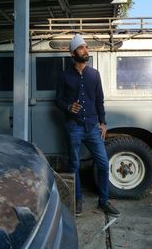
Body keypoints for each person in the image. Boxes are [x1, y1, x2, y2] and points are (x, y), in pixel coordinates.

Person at [56, 34, 120, 217]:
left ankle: (104, 202)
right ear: (73, 53)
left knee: (103, 163)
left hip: (92, 127)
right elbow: (57, 100)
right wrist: (68, 107)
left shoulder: (94, 74)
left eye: (86, 47)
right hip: (73, 127)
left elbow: (100, 100)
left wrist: (103, 122)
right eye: (81, 47)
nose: (86, 50)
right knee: (74, 165)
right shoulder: (64, 75)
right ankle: (76, 203)